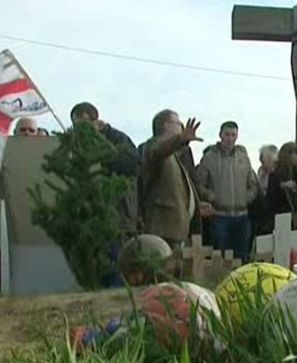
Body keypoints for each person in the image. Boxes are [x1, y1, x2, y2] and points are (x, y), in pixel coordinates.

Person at [140, 110, 212, 249]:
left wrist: (195, 205)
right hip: (163, 228)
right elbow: (160, 151)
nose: (182, 127)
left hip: (176, 228)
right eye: (179, 123)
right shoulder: (152, 146)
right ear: (166, 125)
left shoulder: (174, 155)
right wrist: (179, 140)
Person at [70, 102, 139, 235]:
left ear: (95, 121)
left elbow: (132, 165)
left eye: (83, 124)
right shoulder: (77, 143)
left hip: (119, 210)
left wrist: (102, 151)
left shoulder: (118, 138)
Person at [196, 121, 258, 262]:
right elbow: (199, 184)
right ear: (220, 135)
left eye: (233, 135)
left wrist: (246, 198)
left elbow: (253, 184)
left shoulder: (244, 158)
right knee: (220, 258)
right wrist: (212, 197)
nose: (230, 138)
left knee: (242, 257)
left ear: (237, 137)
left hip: (242, 215)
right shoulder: (209, 158)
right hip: (219, 215)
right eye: (227, 135)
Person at [266, 141, 297, 232]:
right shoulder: (275, 174)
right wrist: (282, 187)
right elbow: (271, 198)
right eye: (295, 154)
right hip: (281, 215)